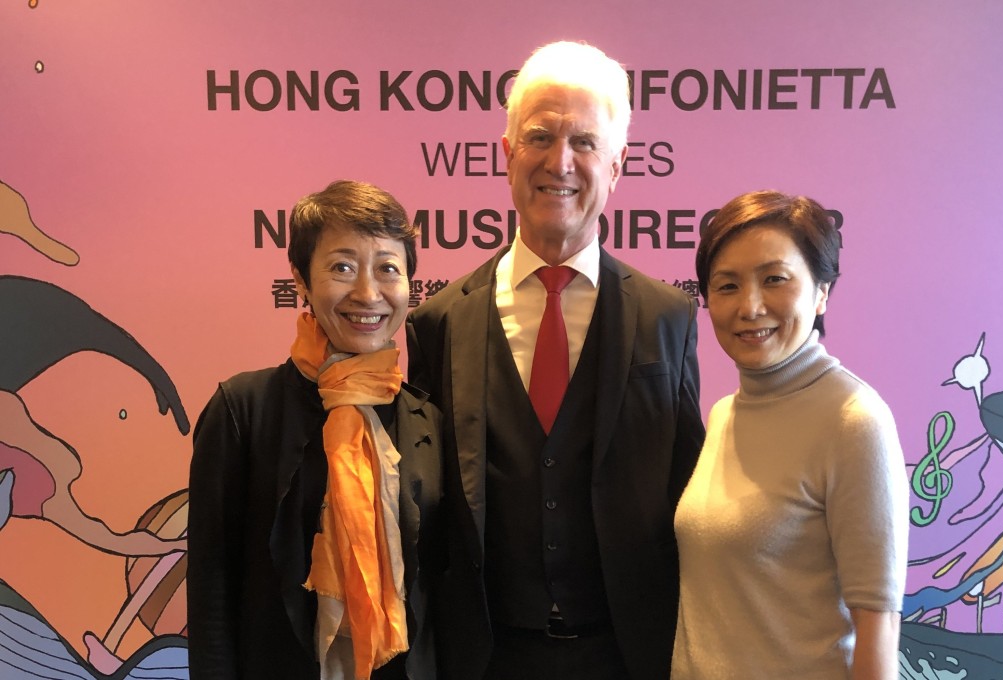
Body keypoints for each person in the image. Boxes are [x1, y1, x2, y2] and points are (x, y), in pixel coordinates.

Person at [406, 41, 704, 680]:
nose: (560, 162)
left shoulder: (669, 318)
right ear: (506, 153)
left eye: (586, 143)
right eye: (539, 137)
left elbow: (688, 492)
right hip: (482, 658)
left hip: (627, 655)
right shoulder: (437, 324)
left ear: (618, 165)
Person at [187, 180, 442, 680]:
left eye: (388, 268)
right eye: (342, 267)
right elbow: (212, 589)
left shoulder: (426, 419)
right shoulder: (244, 410)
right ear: (300, 280)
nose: (368, 293)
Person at [672, 190, 908, 679]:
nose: (750, 306)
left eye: (774, 279)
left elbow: (878, 627)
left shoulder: (853, 419)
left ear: (822, 291)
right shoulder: (723, 415)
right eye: (727, 285)